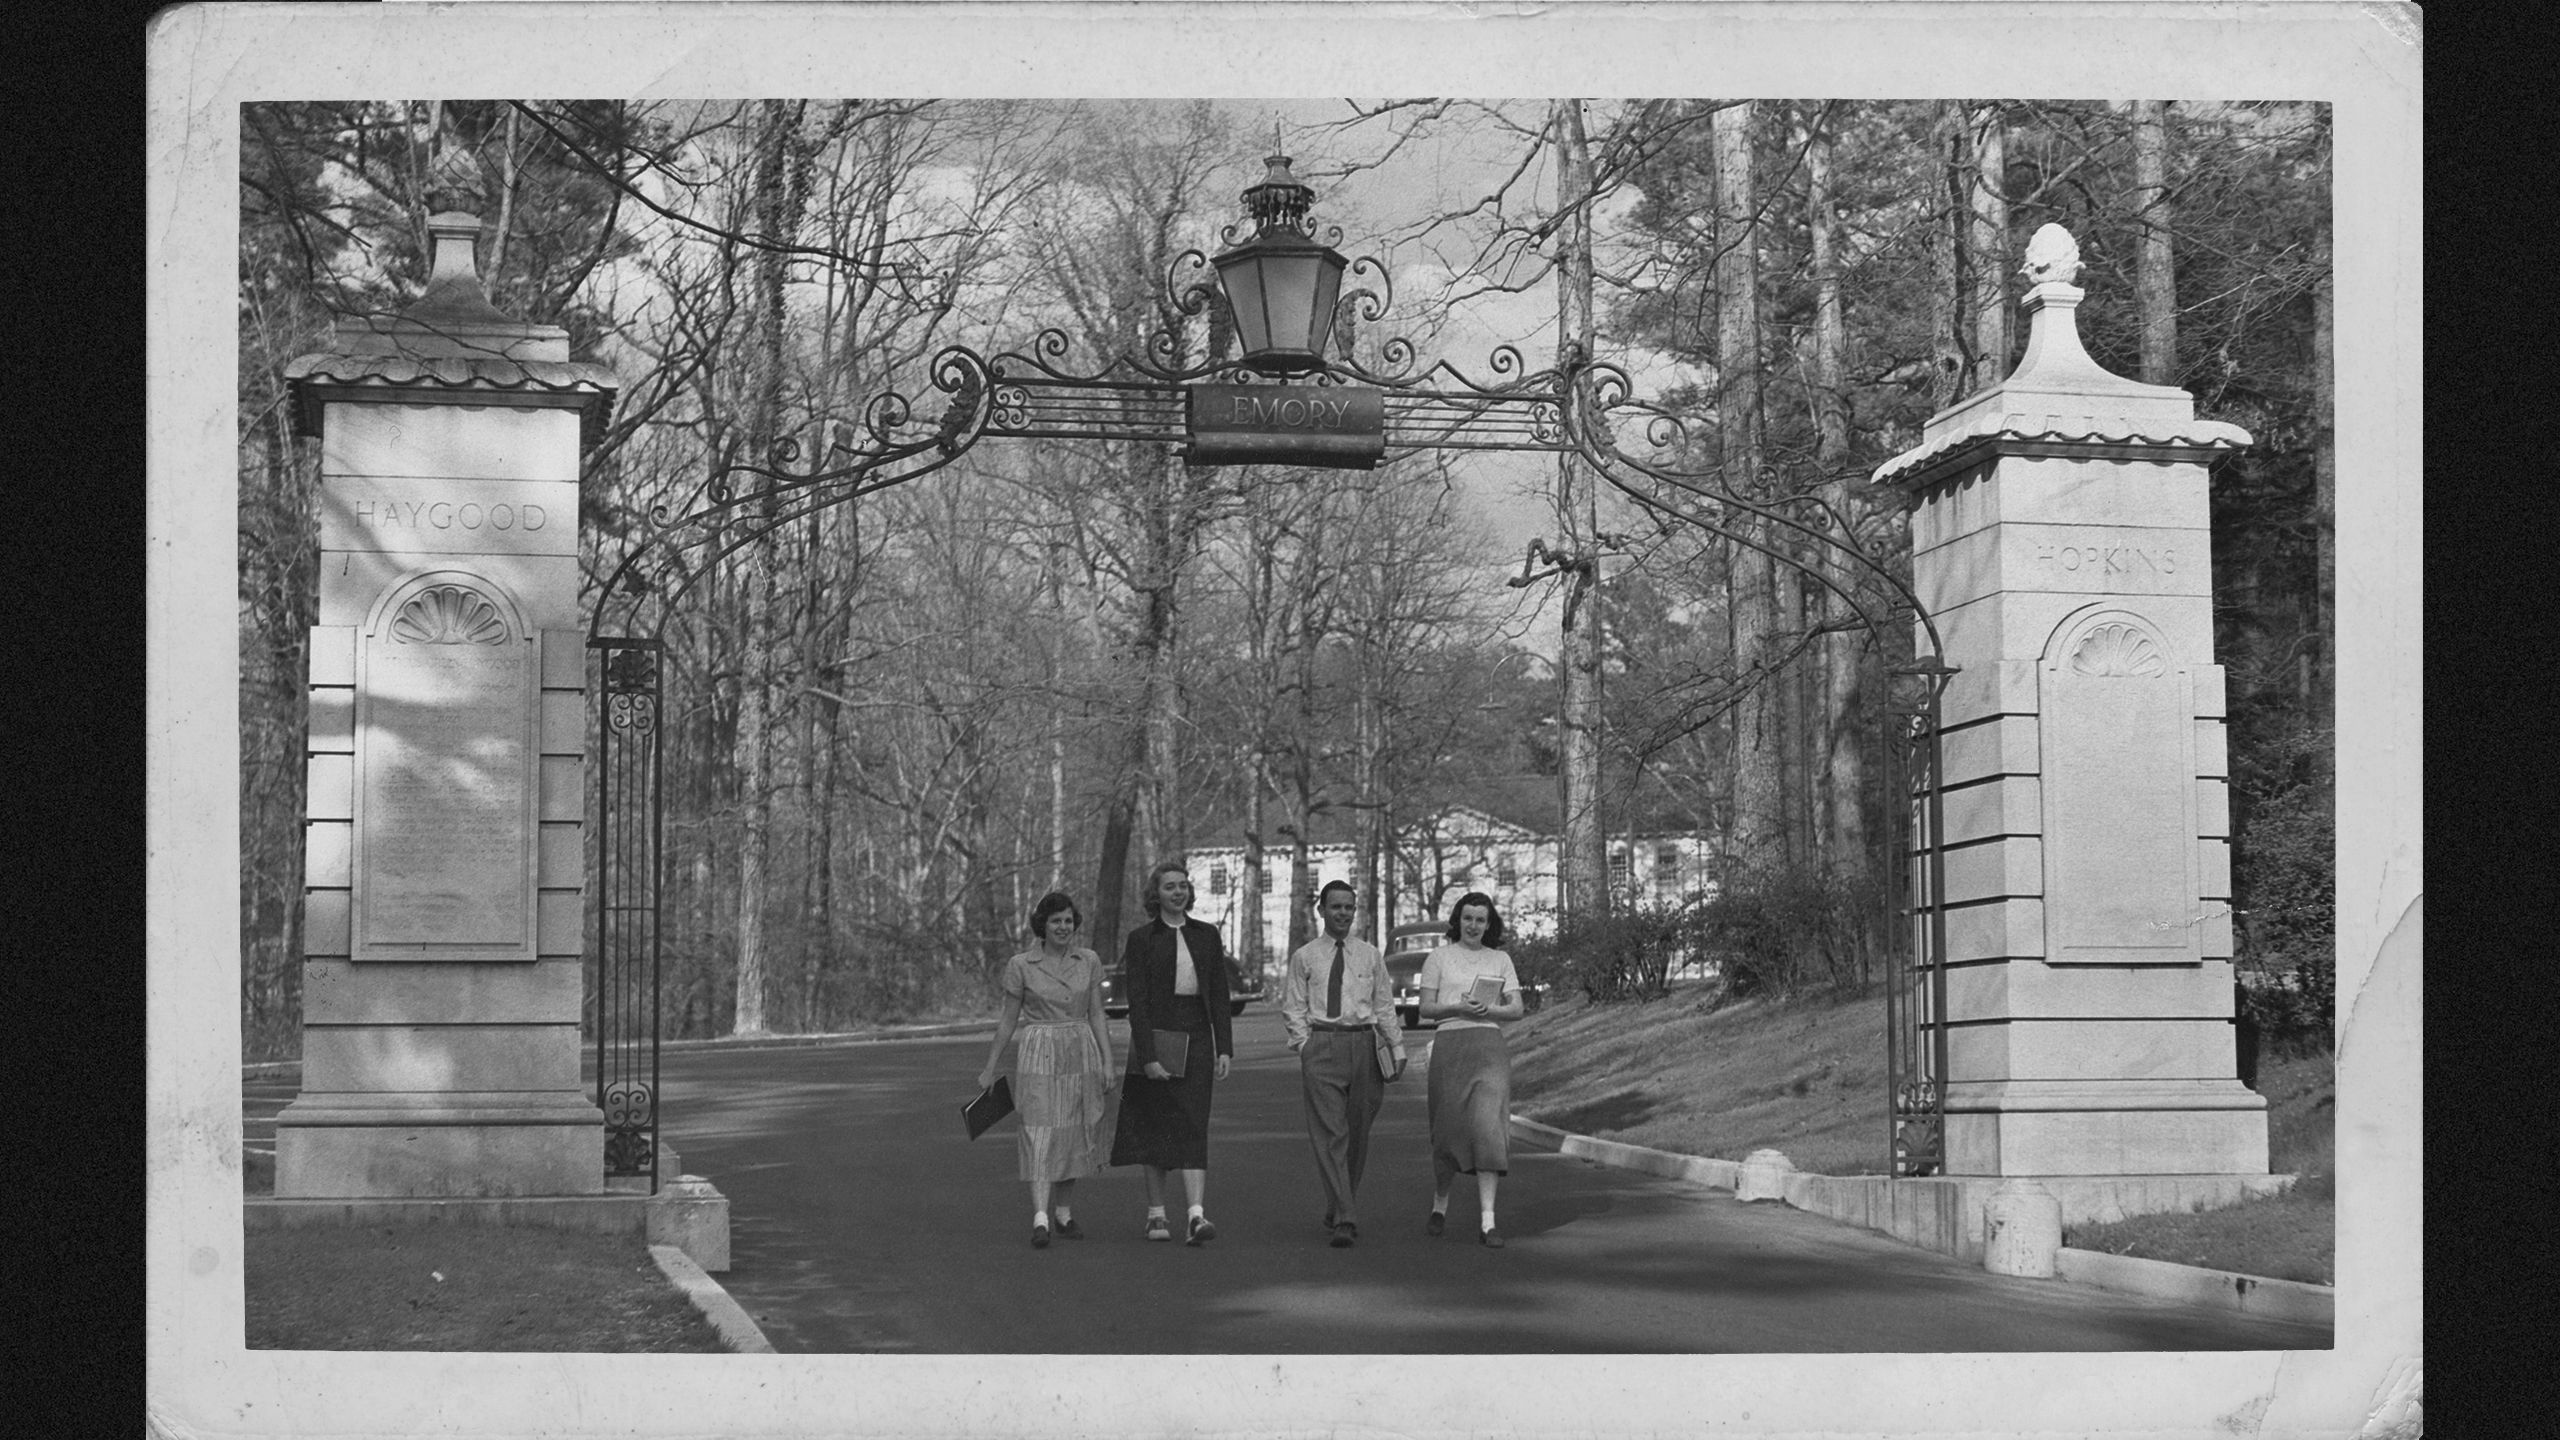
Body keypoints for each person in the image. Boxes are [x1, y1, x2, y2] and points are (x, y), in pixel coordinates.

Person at [977, 892, 1117, 1248]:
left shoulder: (1088, 961)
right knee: (1039, 1131)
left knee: (1073, 1131)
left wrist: (1107, 1060)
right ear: (1043, 924)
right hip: (1039, 1051)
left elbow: (1097, 1013)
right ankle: (1040, 1218)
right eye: (1056, 921)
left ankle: (1064, 1214)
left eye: (1068, 921)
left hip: (1079, 1048)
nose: (1063, 927)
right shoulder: (1022, 964)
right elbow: (1009, 1019)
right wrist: (990, 1066)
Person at [1106, 861, 1235, 1245]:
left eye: (1182, 886)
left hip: (1197, 1032)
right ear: (1155, 894)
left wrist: (1223, 1047)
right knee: (1156, 1124)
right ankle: (1156, 1214)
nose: (1177, 893)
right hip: (1158, 1035)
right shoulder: (1142, 939)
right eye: (1169, 887)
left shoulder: (1207, 935)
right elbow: (1139, 1002)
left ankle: (1196, 1215)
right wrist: (1147, 1055)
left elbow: (1219, 994)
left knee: (1195, 1122)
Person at [1280, 880, 1406, 1248]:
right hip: (1322, 1045)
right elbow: (1294, 1006)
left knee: (1357, 1133)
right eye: (1336, 907)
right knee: (1332, 1134)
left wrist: (1396, 1046)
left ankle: (1338, 1203)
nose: (1343, 914)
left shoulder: (1370, 955)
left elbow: (1383, 1004)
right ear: (1321, 911)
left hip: (1364, 1045)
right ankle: (1347, 1218)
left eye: (1349, 907)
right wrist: (1306, 1046)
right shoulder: (1305, 956)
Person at [1417, 890, 1527, 1247]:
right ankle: (1440, 1203)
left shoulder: (1500, 959)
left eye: (1481, 919)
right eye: (1468, 918)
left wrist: (1487, 1010)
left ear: (1489, 923)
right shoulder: (1439, 957)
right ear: (1457, 920)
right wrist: (1458, 1006)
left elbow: (1516, 1009)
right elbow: (1426, 1009)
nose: (1474, 925)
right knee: (1447, 1130)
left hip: (1488, 1047)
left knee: (1489, 1129)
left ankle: (1488, 1221)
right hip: (1451, 1045)